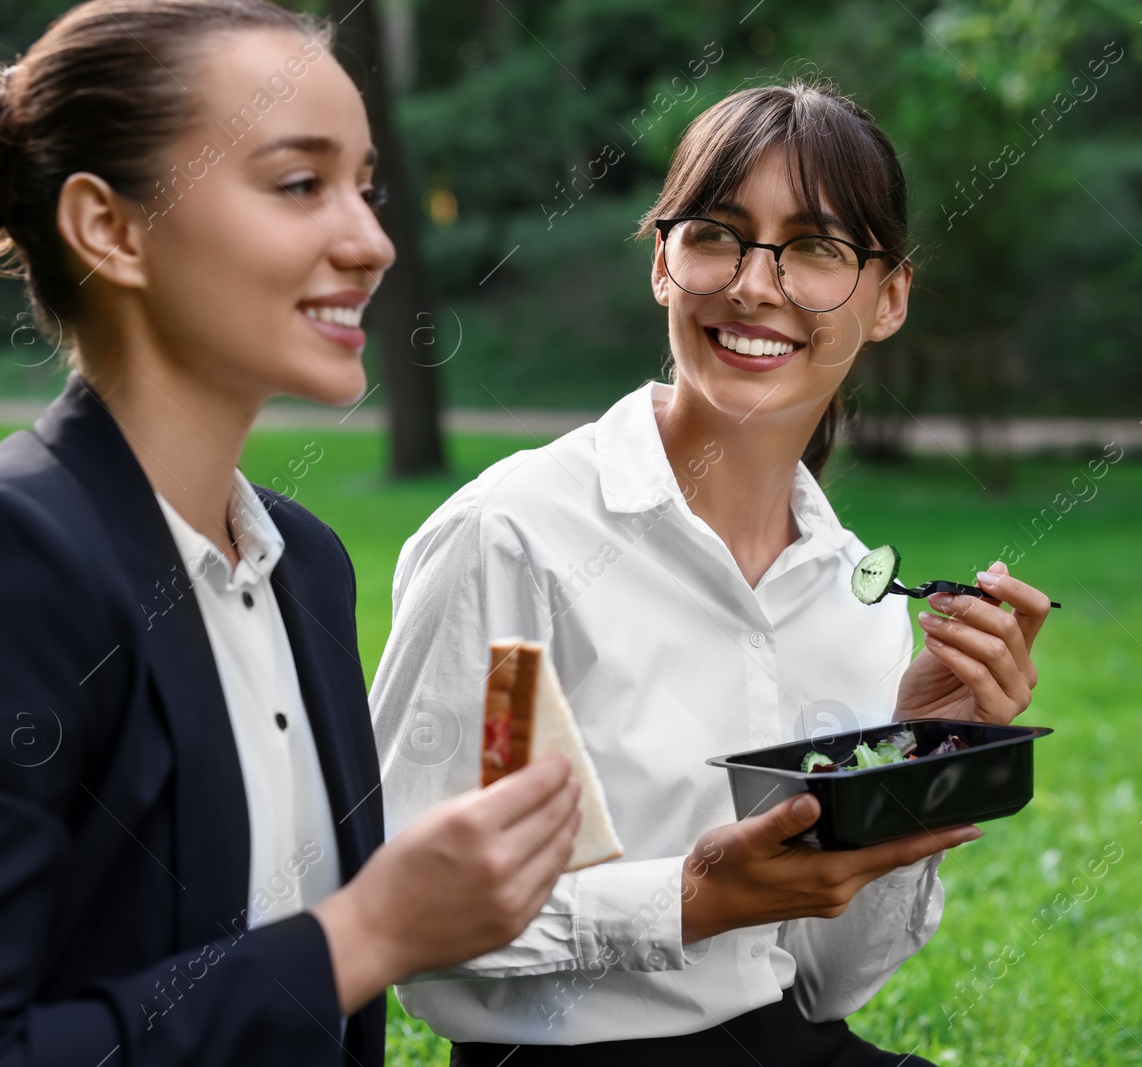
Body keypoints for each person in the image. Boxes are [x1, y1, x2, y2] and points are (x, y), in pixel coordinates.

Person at [0, 3, 582, 1065]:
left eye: (365, 188)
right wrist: (366, 931)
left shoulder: (305, 567)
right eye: (298, 183)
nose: (371, 240)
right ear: (110, 227)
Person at [371, 81, 1055, 1066]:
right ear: (662, 262)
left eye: (817, 248)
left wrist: (914, 768)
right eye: (716, 234)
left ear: (890, 295)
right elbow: (409, 915)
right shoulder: (513, 536)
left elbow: (827, 976)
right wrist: (687, 898)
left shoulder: (849, 592)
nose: (754, 285)